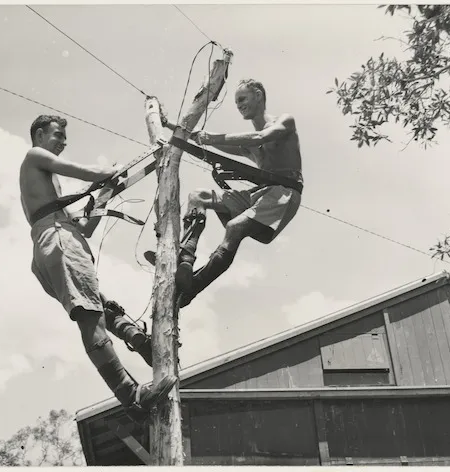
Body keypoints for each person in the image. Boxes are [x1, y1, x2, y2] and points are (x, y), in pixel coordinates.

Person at [20, 114, 177, 421]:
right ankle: (131, 397)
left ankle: (138, 340)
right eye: (57, 135)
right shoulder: (35, 156)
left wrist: (102, 198)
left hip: (55, 244)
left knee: (100, 307)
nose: (63, 142)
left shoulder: (48, 189)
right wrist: (108, 172)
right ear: (38, 135)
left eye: (65, 137)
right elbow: (87, 172)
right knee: (91, 317)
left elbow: (85, 228)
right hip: (58, 241)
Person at [171, 79, 304, 307]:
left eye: (242, 99)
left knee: (234, 228)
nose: (239, 105)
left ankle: (194, 286)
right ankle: (186, 260)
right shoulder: (249, 145)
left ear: (259, 95)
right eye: (236, 102)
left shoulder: (284, 121)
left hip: (283, 193)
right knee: (198, 197)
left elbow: (260, 137)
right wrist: (189, 134)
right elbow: (223, 144)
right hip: (260, 194)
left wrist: (211, 138)